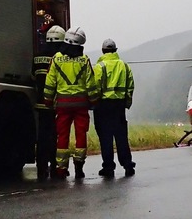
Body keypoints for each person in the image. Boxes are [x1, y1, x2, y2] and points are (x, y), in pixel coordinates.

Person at [43, 27, 99, 179]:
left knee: (62, 136)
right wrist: (94, 101)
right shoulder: (84, 60)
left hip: (62, 105)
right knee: (81, 136)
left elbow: (50, 83)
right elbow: (91, 84)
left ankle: (61, 169)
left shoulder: (56, 59)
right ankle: (79, 167)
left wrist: (48, 100)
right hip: (81, 106)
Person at [93, 38, 136, 178]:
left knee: (105, 137)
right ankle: (128, 164)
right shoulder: (124, 66)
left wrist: (94, 103)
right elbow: (130, 87)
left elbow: (95, 87)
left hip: (103, 106)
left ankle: (108, 167)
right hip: (119, 106)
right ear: (115, 51)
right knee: (121, 136)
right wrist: (126, 103)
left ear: (103, 51)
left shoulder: (99, 67)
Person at [32, 24, 65, 180]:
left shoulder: (37, 57)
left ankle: (41, 167)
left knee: (42, 137)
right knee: (55, 136)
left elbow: (33, 76)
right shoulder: (59, 58)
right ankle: (54, 165)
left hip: (40, 104)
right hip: (55, 104)